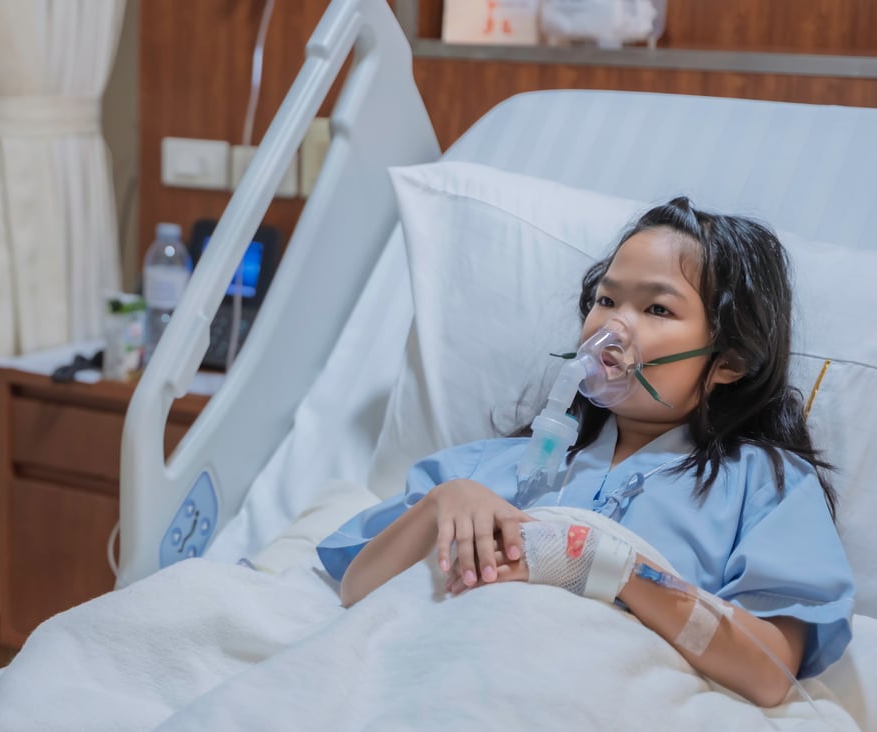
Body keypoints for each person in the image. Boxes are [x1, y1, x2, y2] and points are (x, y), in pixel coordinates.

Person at [317, 198, 855, 708]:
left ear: (730, 360)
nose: (612, 326)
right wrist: (441, 503)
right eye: (606, 299)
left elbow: (768, 672)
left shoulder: (761, 486)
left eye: (657, 307)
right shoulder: (488, 469)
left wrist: (607, 566)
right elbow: (357, 590)